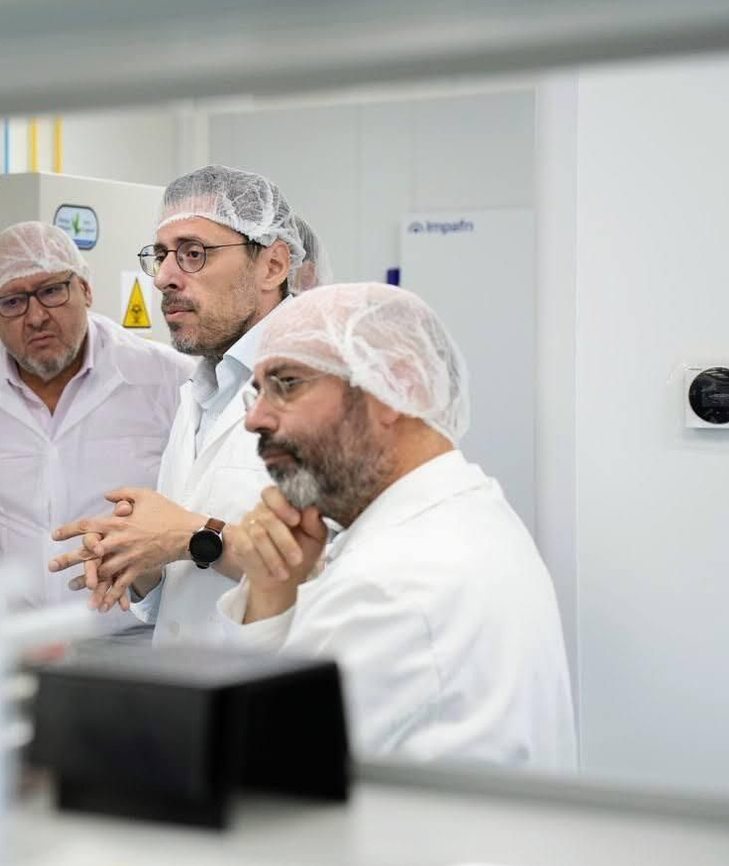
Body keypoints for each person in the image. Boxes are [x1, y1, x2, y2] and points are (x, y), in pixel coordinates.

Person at [221, 282, 575, 767]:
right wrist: (274, 589)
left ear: (395, 386)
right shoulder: (466, 511)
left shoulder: (390, 585)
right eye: (257, 391)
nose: (255, 419)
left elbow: (256, 772)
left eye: (287, 383)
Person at [48, 167, 327, 644]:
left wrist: (192, 536)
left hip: (280, 700)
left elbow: (341, 574)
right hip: (191, 692)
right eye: (160, 255)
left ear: (274, 265)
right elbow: (188, 582)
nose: (162, 278)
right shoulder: (201, 390)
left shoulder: (325, 391)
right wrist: (141, 559)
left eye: (193, 253)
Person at [0, 221, 193, 606]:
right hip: (9, 647)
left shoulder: (169, 381)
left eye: (51, 291)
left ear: (86, 289)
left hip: (136, 645)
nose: (35, 317)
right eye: (12, 301)